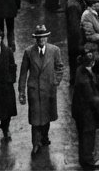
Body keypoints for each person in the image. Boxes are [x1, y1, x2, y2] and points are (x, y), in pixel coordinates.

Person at [19, 24, 65, 155]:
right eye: (38, 38)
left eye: (43, 37)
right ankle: (35, 143)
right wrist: (21, 91)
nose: (41, 40)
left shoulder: (54, 50)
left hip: (49, 90)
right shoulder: (28, 52)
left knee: (46, 117)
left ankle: (44, 137)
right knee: (35, 119)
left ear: (47, 38)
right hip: (34, 90)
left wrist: (55, 81)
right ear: (35, 39)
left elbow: (59, 67)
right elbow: (23, 73)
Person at [72, 45, 99, 169]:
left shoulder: (81, 70)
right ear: (90, 63)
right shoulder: (84, 78)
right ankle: (88, 162)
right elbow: (92, 98)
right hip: (86, 113)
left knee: (85, 136)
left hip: (81, 111)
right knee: (88, 136)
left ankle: (85, 159)